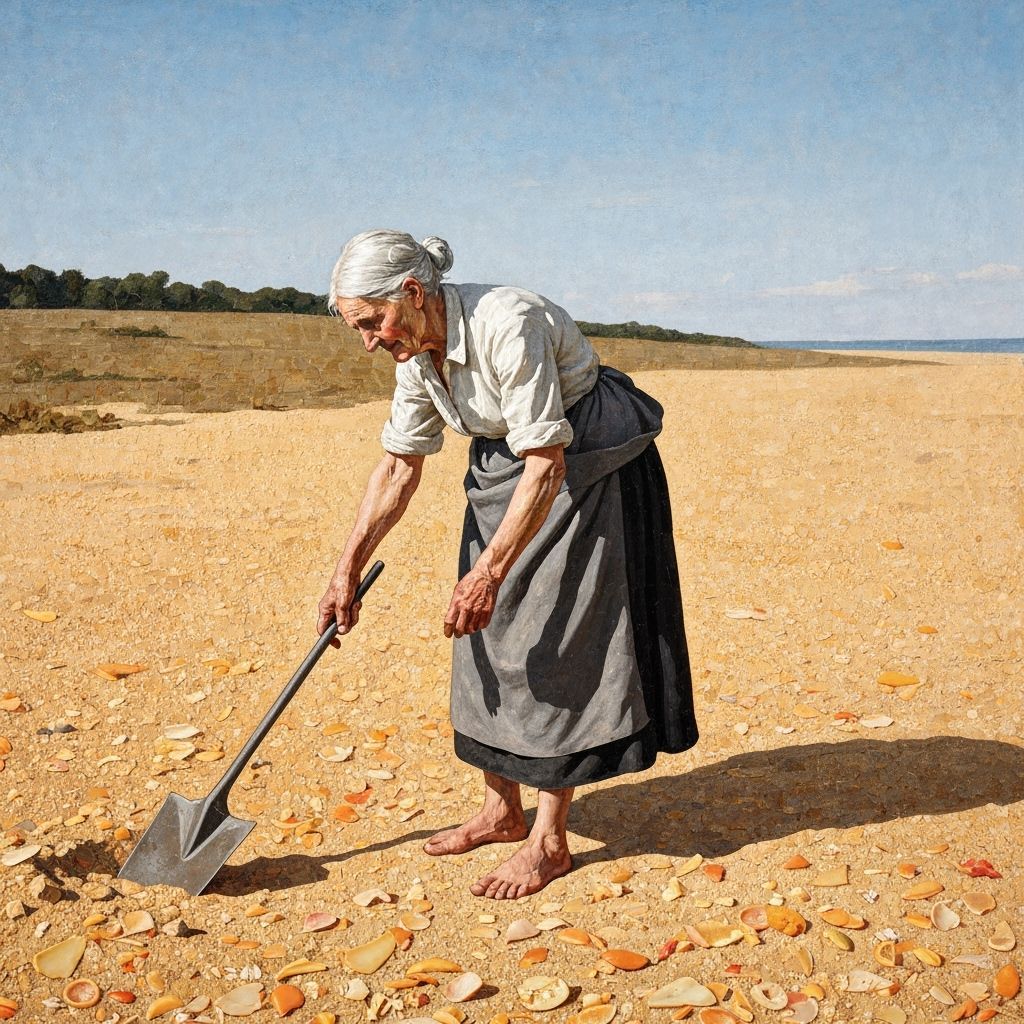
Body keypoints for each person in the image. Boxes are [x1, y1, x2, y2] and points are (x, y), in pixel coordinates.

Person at [317, 229, 698, 900]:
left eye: (372, 323)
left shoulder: (507, 323)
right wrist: (348, 566)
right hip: (507, 469)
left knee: (552, 640)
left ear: (412, 293)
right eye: (358, 329)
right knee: (483, 640)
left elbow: (547, 460)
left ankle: (549, 842)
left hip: (580, 464)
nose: (369, 342)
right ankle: (501, 810)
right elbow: (401, 464)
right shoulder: (415, 354)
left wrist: (488, 572)